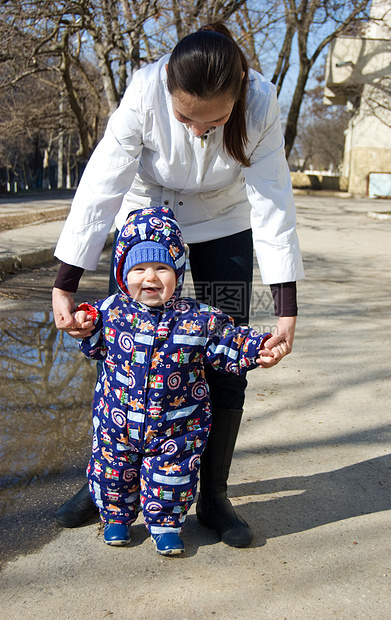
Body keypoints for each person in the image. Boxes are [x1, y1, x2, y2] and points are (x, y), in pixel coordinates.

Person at [52, 22, 304, 547]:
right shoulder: (145, 90)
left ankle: (213, 496)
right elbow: (102, 183)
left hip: (223, 224)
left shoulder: (261, 103)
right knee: (123, 345)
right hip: (146, 219)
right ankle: (104, 488)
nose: (196, 130)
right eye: (185, 117)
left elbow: (274, 201)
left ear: (236, 98)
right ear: (168, 86)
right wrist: (66, 280)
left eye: (212, 121)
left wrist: (285, 305)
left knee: (227, 343)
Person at [73, 206, 274, 554]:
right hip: (116, 423)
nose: (150, 278)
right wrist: (84, 326)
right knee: (112, 470)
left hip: (176, 425)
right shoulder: (110, 311)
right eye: (139, 268)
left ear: (178, 273)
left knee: (172, 477)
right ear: (122, 273)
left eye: (161, 268)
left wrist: (257, 348)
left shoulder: (198, 318)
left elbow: (228, 342)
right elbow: (92, 345)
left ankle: (166, 524)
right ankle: (117, 517)